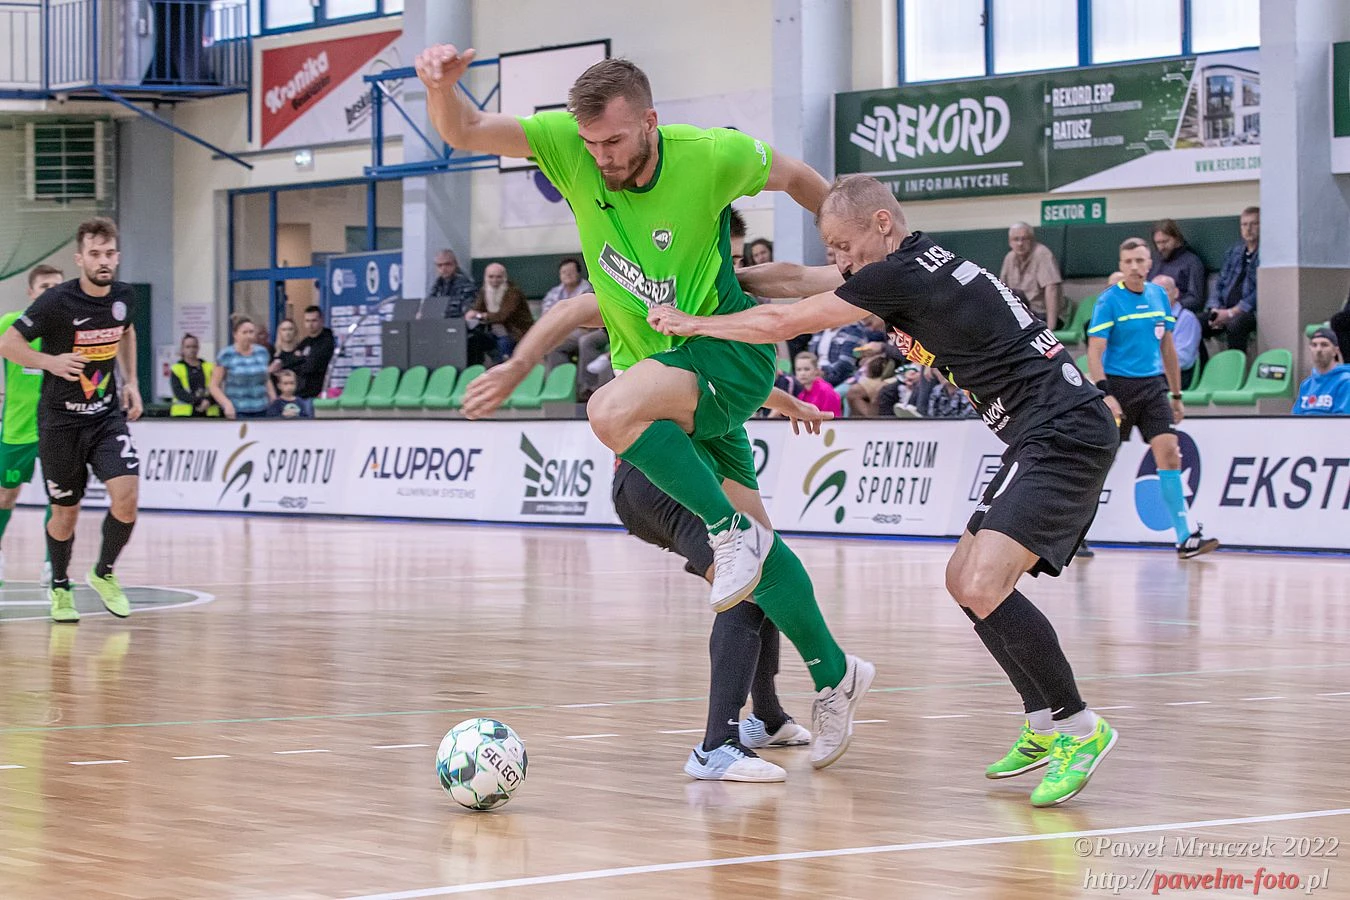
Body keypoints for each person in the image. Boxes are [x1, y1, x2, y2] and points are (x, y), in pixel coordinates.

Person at [417, 47, 873, 770]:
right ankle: (833, 674)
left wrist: (846, 245)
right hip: (683, 394)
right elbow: (466, 130)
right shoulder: (571, 153)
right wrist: (441, 88)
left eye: (614, 141)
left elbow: (795, 178)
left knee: (608, 411)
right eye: (590, 143)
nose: (600, 156)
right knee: (766, 558)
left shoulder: (712, 155)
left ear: (651, 122)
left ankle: (727, 579)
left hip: (719, 356)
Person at [651, 174, 1122, 807]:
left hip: (1062, 432)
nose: (840, 261)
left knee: (984, 583)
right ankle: (1042, 720)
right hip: (1041, 431)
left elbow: (786, 318)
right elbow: (796, 278)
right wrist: (722, 279)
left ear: (881, 223)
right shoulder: (910, 263)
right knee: (963, 580)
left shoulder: (900, 273)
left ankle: (1078, 727)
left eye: (844, 246)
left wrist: (694, 321)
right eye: (833, 250)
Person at [463, 289, 830, 780]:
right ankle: (717, 746)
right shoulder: (646, 296)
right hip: (651, 478)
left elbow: (715, 377)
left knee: (759, 562)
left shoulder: (709, 302)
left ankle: (766, 717)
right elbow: (571, 309)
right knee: (745, 571)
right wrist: (517, 365)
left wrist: (787, 403)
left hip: (677, 470)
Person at [0, 218, 144, 623]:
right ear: (80, 258)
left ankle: (104, 572)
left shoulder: (125, 296)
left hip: (105, 418)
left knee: (127, 499)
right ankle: (60, 585)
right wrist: (50, 361)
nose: (103, 261)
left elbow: (126, 332)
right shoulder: (55, 301)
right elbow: (8, 343)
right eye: (95, 254)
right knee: (65, 513)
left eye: (109, 253)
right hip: (60, 423)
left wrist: (131, 381)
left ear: (117, 256)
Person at [1088, 239, 1220, 559]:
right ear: (1121, 265)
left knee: (1170, 453)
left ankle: (1184, 537)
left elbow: (1168, 348)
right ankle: (1075, 532)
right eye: (1128, 261)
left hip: (1152, 387)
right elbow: (1095, 351)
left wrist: (1176, 394)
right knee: (1101, 463)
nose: (1134, 266)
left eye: (1140, 260)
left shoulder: (1158, 296)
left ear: (1150, 264)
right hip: (1118, 388)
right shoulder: (1109, 301)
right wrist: (1105, 393)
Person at [0, 264, 63, 586]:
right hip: (18, 428)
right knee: (5, 496)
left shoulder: (70, 329)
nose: (51, 292)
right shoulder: (10, 324)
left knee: (60, 498)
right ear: (30, 292)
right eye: (44, 287)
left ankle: (53, 565)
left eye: (57, 287)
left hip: (58, 427)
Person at [1205, 207, 1260, 352]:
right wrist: (1215, 309)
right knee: (1195, 322)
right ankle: (1201, 365)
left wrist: (1231, 313)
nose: (1248, 229)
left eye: (1254, 224)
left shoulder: (1266, 254)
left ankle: (1236, 365)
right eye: (1244, 224)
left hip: (1249, 312)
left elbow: (1259, 293)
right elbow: (1219, 283)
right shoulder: (1233, 252)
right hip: (1225, 308)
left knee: (1235, 325)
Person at [999, 222, 1064, 328]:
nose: (1020, 243)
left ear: (1032, 240)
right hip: (1021, 313)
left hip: (1042, 313)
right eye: (1016, 239)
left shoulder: (1042, 254)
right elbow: (1001, 290)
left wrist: (1050, 328)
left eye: (1024, 239)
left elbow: (1052, 289)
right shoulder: (1009, 258)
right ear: (1010, 242)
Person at [468, 262, 534, 364]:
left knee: (503, 342)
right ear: (486, 277)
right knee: (474, 340)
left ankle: (505, 365)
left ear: (504, 277)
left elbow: (502, 316)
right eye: (491, 277)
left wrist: (480, 315)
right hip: (492, 330)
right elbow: (477, 308)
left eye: (498, 277)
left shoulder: (513, 292)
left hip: (515, 331)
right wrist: (471, 313)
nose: (494, 280)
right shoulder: (484, 290)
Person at [211, 316, 275, 419]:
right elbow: (214, 386)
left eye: (251, 332)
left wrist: (273, 398)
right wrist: (226, 404)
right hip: (237, 410)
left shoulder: (262, 352)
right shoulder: (226, 354)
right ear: (235, 335)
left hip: (262, 408)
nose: (248, 336)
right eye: (244, 332)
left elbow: (266, 378)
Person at [1147, 219, 1207, 315]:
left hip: (1179, 314)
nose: (1161, 247)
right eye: (1158, 243)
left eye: (1165, 241)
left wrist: (1173, 306)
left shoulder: (1192, 262)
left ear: (1176, 239)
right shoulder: (1154, 262)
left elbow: (1195, 298)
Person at [1151, 275, 1201, 387]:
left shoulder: (1187, 319)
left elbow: (1184, 359)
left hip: (1176, 376)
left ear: (1176, 293)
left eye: (1165, 290)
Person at [1293, 328, 1350, 415]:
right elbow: (1295, 417)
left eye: (1324, 345)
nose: (1318, 349)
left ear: (1335, 351)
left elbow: (1342, 420)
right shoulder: (1306, 385)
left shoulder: (1346, 381)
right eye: (1314, 345)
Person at [169, 333, 219, 417]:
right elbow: (179, 392)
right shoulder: (176, 368)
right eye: (188, 347)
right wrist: (199, 402)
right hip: (184, 414)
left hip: (208, 413)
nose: (191, 349)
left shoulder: (210, 367)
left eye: (194, 346)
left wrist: (208, 401)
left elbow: (217, 388)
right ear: (182, 349)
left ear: (198, 348)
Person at [293, 306, 335, 399]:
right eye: (307, 321)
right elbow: (293, 362)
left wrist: (300, 360)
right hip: (302, 393)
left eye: (314, 320)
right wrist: (302, 360)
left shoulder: (327, 341)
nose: (310, 324)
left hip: (319, 393)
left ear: (321, 321)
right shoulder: (304, 342)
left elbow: (311, 366)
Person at [428, 248, 479, 318]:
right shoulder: (437, 285)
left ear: (455, 264)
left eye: (447, 264)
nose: (443, 268)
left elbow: (468, 310)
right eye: (440, 265)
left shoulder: (466, 285)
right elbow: (430, 307)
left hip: (458, 322)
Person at [792, 351, 842, 418]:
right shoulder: (801, 394)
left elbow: (830, 418)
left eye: (807, 369)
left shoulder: (826, 390)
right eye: (799, 370)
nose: (802, 373)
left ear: (816, 370)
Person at [269, 318, 300, 386]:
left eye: (290, 329)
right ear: (279, 332)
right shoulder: (273, 353)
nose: (287, 333)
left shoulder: (301, 351)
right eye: (284, 330)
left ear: (295, 331)